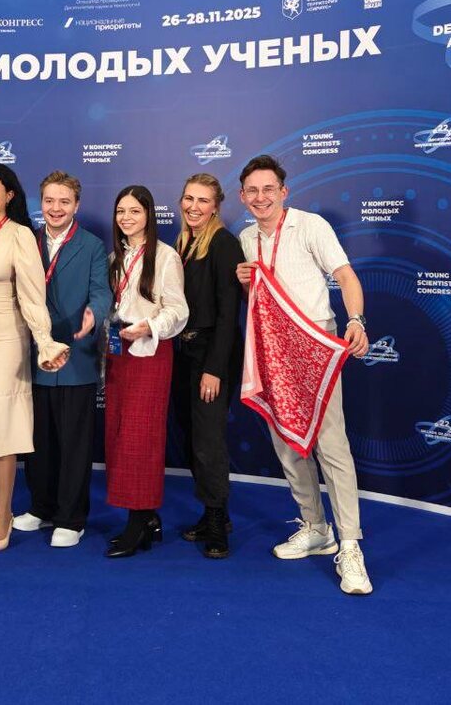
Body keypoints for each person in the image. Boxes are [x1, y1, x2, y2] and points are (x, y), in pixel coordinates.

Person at [236, 154, 373, 595]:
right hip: (273, 351)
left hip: (315, 345)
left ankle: (350, 546)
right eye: (252, 191)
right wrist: (243, 281)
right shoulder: (245, 238)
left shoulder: (311, 226)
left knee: (332, 446)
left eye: (268, 189)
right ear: (242, 196)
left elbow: (345, 276)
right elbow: (259, 299)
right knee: (287, 441)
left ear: (284, 191)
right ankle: (316, 527)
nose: (260, 197)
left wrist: (356, 321)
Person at [0, 164, 69, 554]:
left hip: (5, 343)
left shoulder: (19, 235)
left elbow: (34, 297)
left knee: (1, 432)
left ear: (10, 195)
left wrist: (46, 343)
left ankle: (4, 512)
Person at [12, 171, 111, 548]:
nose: (56, 208)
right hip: (35, 355)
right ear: (41, 203)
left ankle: (71, 518)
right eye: (50, 201)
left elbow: (101, 292)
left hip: (75, 354)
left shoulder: (92, 245)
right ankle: (41, 507)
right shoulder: (26, 240)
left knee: (74, 444)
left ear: (76, 205)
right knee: (38, 441)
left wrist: (94, 314)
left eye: (64, 201)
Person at [103, 185, 188, 558]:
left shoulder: (166, 257)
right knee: (119, 433)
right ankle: (148, 518)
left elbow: (178, 310)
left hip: (150, 353)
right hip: (118, 352)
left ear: (149, 215)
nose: (126, 218)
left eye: (135, 211)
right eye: (121, 211)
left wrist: (148, 327)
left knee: (141, 438)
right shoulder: (115, 257)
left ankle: (137, 523)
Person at [171, 173, 244, 559]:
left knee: (208, 441)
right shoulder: (182, 242)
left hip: (212, 355)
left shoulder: (224, 243)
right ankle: (216, 512)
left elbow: (229, 312)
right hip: (183, 352)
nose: (193, 207)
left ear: (216, 206)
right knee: (191, 437)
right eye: (188, 199)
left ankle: (217, 524)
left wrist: (214, 369)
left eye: (202, 200)